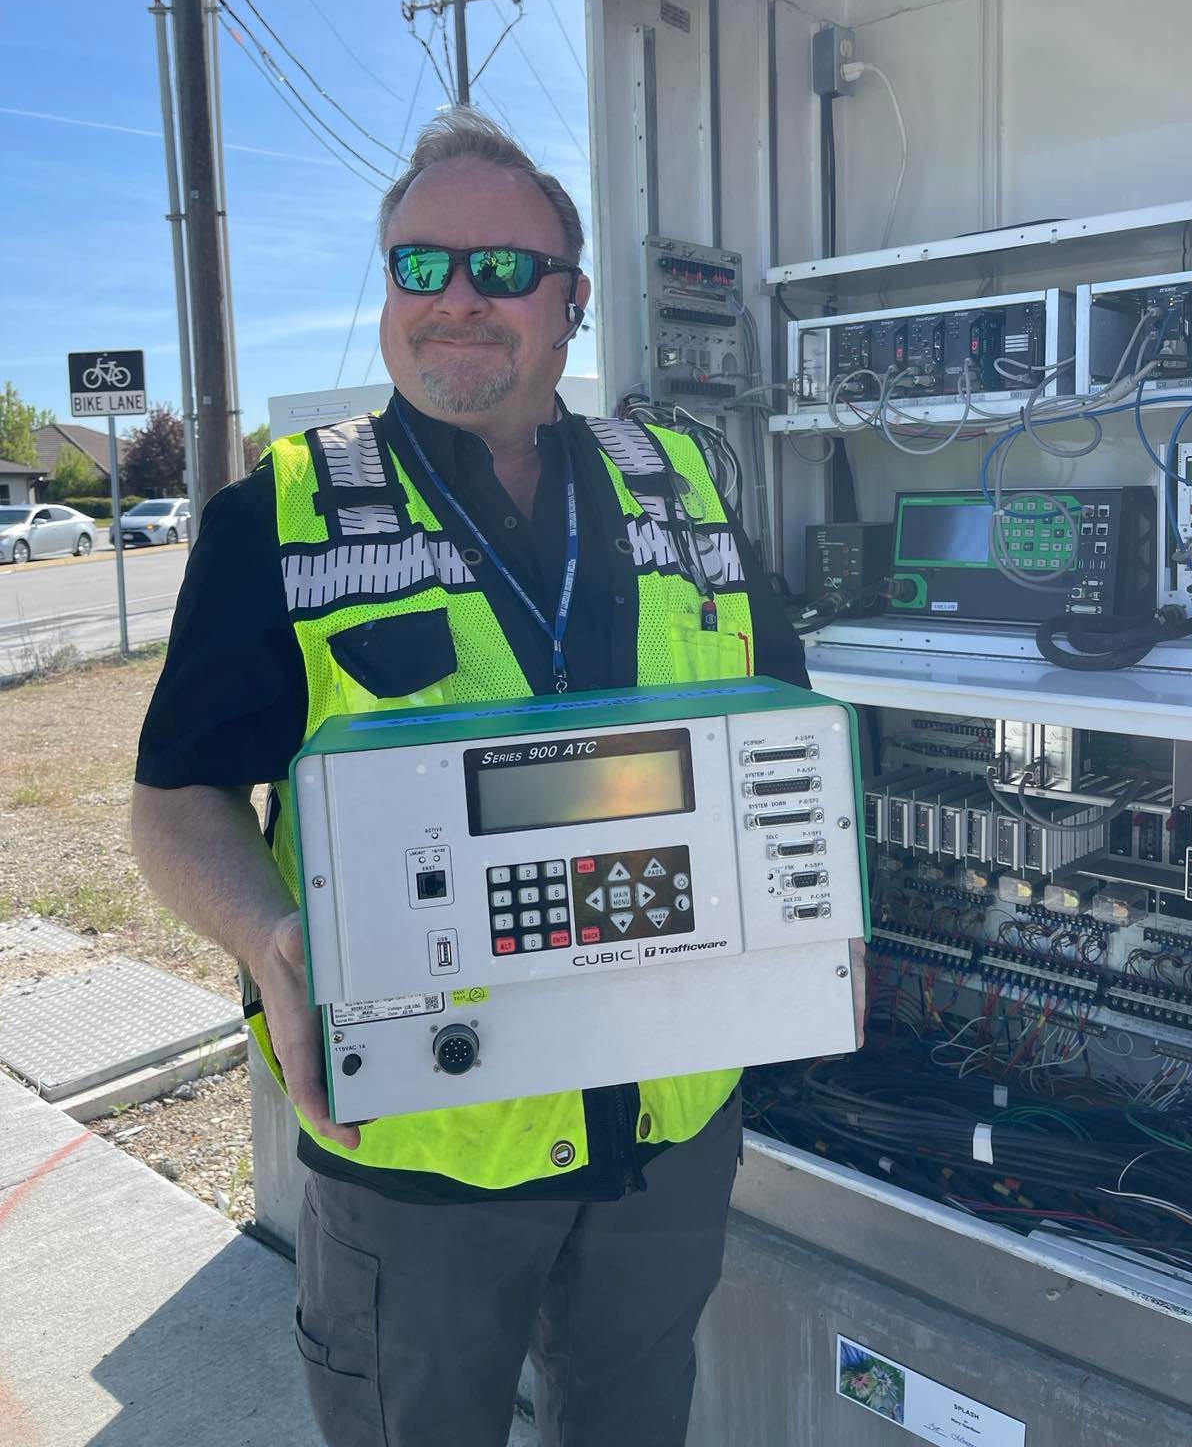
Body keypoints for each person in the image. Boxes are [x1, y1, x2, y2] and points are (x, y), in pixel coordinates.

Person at [132, 108, 818, 1447]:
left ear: (566, 305)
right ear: (385, 287)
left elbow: (780, 721)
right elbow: (174, 806)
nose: (457, 299)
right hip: (425, 1165)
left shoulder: (679, 487)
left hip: (668, 1134)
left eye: (502, 271)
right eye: (418, 265)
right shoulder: (274, 515)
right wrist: (270, 941)